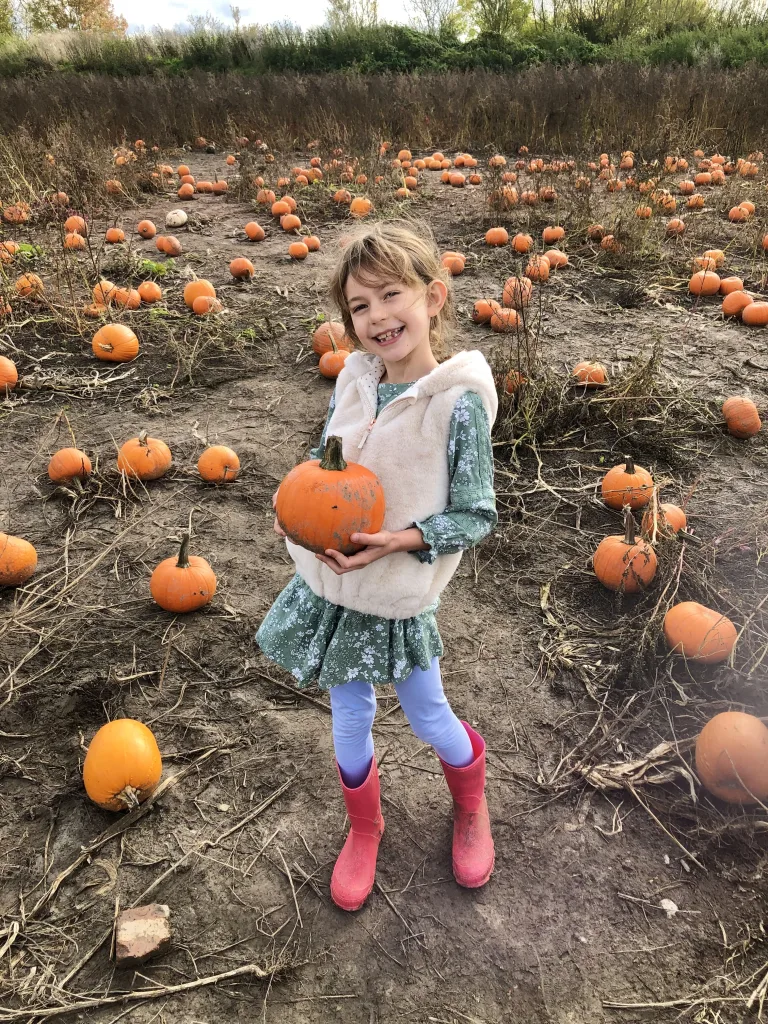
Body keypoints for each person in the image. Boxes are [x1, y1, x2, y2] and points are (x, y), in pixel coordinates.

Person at [257, 220, 498, 912]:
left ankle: (472, 808)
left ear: (434, 298)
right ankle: (365, 827)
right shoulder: (354, 382)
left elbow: (476, 515)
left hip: (395, 593)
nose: (376, 317)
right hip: (334, 586)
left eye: (390, 295)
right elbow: (323, 464)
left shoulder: (457, 405)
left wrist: (399, 540)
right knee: (349, 717)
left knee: (428, 715)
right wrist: (293, 511)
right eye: (359, 307)